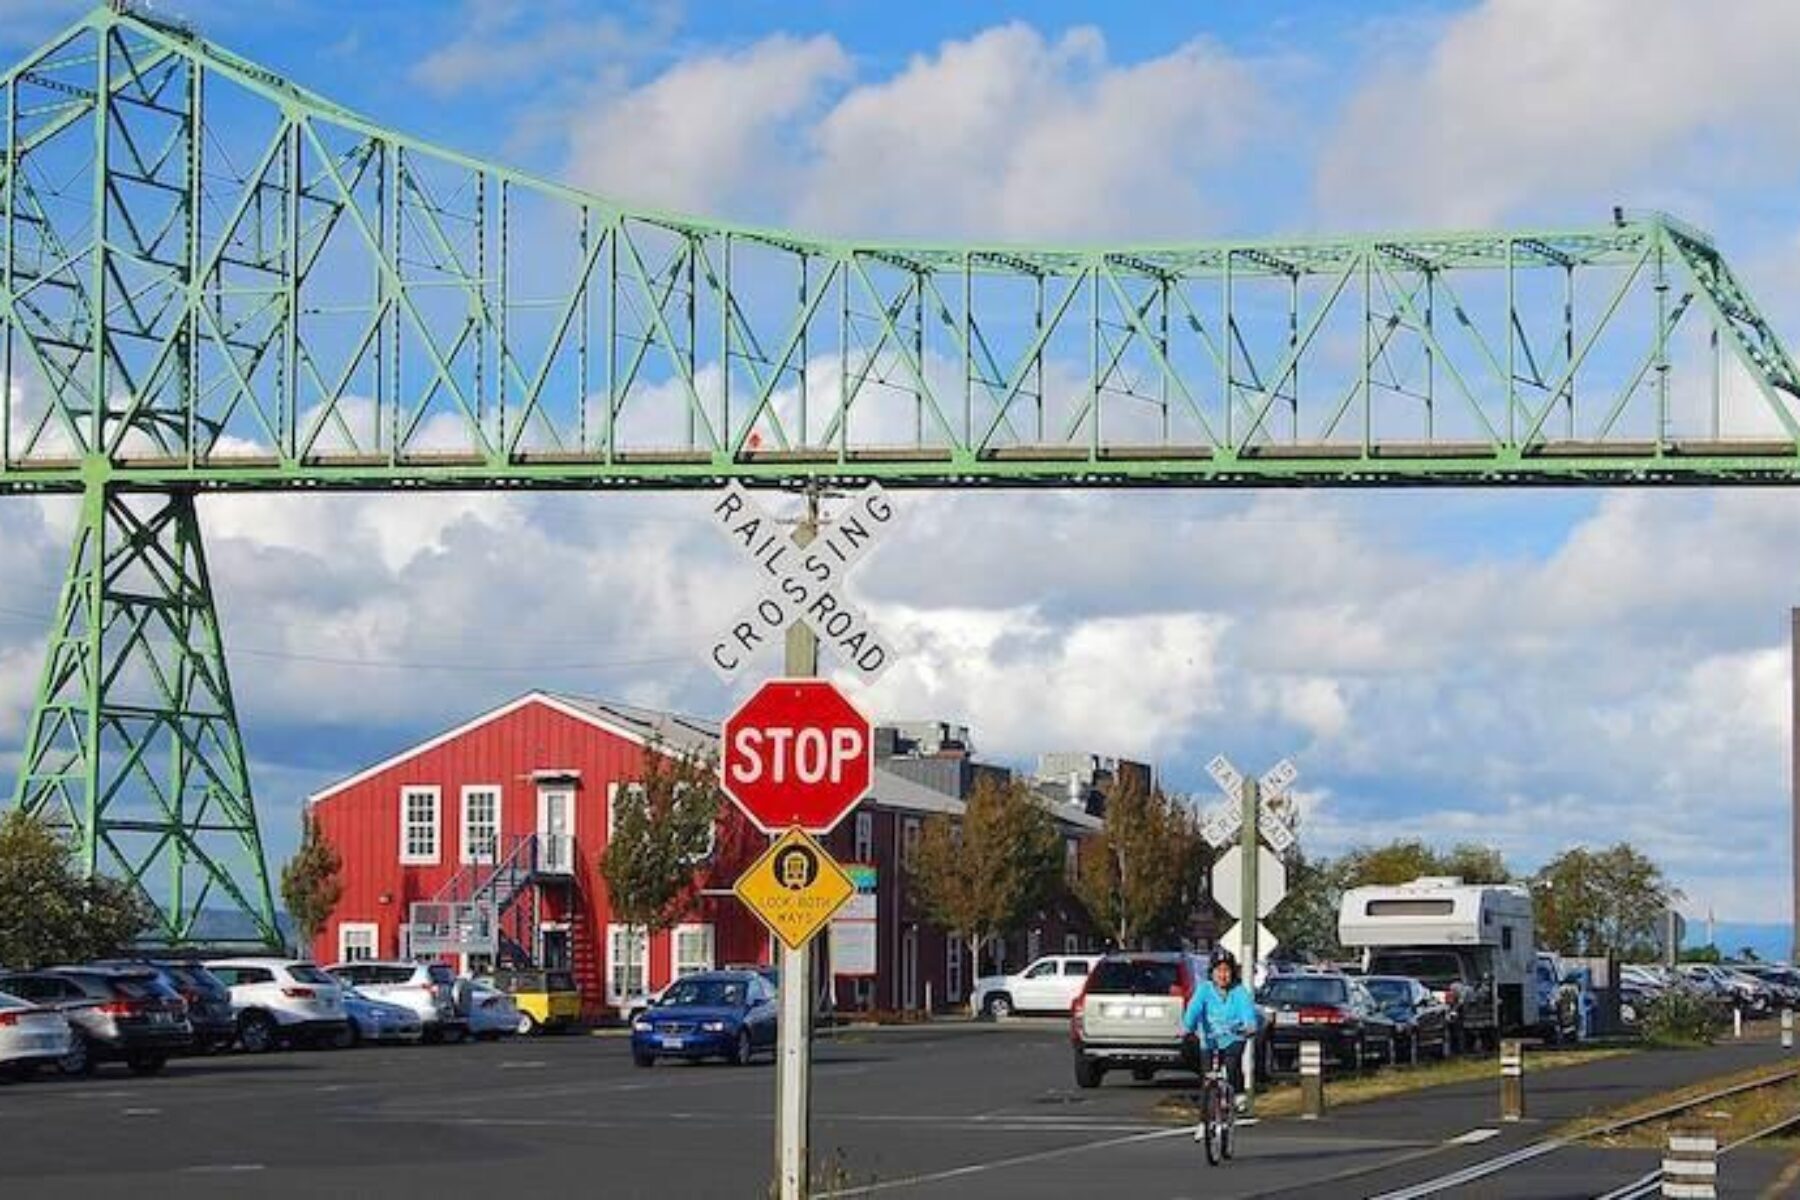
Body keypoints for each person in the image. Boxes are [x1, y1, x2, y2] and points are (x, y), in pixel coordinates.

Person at [1182, 949, 1260, 1119]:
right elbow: (1194, 1010)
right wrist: (1188, 1027)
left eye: (1227, 971)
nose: (1223, 975)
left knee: (1232, 1064)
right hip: (1209, 1040)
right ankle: (1204, 1122)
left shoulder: (1239, 992)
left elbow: (1247, 1013)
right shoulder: (1204, 990)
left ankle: (1238, 1094)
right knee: (1207, 1078)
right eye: (1219, 971)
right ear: (1212, 972)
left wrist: (1249, 1026)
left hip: (1234, 1037)